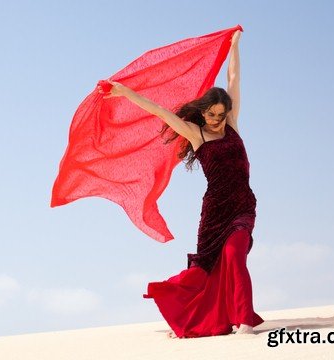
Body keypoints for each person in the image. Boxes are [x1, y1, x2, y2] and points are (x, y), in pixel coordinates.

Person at [98, 30, 264, 338]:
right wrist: (125, 93)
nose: (218, 119)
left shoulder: (233, 126)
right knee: (206, 270)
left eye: (222, 114)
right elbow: (158, 111)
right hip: (215, 213)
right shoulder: (195, 134)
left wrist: (234, 45)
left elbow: (234, 80)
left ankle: (244, 322)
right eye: (213, 114)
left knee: (235, 255)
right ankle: (198, 316)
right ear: (203, 113)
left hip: (242, 205)